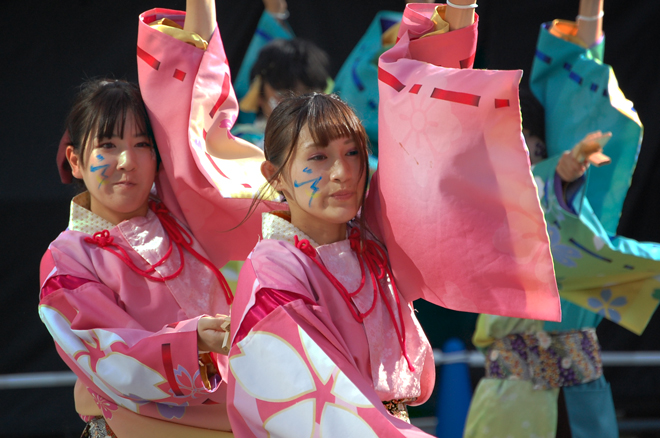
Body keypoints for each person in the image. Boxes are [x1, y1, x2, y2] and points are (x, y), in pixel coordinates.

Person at [222, 2, 564, 436]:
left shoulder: (371, 236)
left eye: (352, 154)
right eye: (319, 158)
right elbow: (315, 406)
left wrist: (458, 10)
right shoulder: (273, 273)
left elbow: (427, 125)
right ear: (276, 177)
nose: (343, 172)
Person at [38, 3, 274, 435]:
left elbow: (195, 108)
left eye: (142, 144)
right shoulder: (65, 261)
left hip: (232, 413)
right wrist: (194, 339)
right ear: (75, 160)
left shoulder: (180, 213)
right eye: (107, 146)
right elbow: (106, 354)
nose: (126, 161)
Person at [464, 1, 660, 436]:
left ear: (543, 146)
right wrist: (561, 171)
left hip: (579, 393)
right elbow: (538, 188)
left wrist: (592, 7)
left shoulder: (559, 196)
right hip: (509, 400)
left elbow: (585, 91)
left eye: (526, 145)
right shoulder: (485, 206)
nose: (518, 160)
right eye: (504, 149)